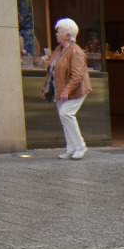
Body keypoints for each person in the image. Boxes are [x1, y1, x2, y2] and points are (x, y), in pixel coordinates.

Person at [43, 18, 92, 160]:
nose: (56, 34)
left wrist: (66, 90)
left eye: (58, 31)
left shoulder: (76, 51)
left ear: (67, 34)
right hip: (61, 90)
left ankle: (80, 147)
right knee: (64, 117)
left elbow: (77, 75)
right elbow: (51, 70)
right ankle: (71, 148)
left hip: (75, 91)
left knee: (66, 114)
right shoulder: (59, 50)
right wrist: (44, 88)